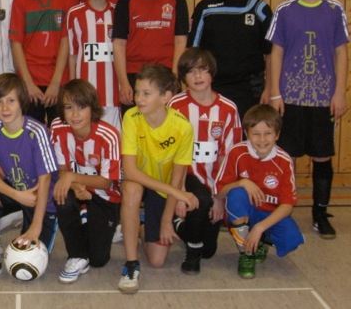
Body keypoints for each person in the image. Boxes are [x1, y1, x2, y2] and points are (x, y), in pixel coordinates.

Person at [267, 0, 349, 239]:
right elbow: (276, 52)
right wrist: (275, 93)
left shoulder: (334, 9)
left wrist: (339, 93)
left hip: (322, 97)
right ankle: (281, 211)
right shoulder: (284, 10)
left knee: (322, 156)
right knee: (286, 156)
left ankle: (319, 214)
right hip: (290, 97)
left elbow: (341, 53)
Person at [118, 64, 202, 294]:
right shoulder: (131, 117)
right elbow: (130, 171)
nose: (139, 98)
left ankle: (138, 228)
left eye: (146, 93)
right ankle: (131, 264)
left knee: (157, 261)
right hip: (138, 180)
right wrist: (177, 193)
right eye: (137, 92)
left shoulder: (182, 127)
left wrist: (167, 220)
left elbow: (177, 178)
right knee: (132, 190)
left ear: (166, 97)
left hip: (163, 187)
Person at [0, 73, 59, 285]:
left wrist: (36, 226)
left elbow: (45, 180)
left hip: (40, 198)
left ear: (22, 101)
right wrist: (17, 195)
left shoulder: (37, 131)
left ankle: (28, 220)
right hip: (17, 192)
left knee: (35, 257)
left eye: (11, 101)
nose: (5, 107)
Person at [169, 48, 242, 274]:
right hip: (185, 178)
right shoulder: (175, 106)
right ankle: (192, 255)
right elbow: (170, 154)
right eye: (191, 72)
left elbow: (229, 158)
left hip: (214, 184)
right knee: (199, 200)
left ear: (212, 73)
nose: (198, 76)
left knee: (209, 250)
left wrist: (219, 198)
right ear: (183, 77)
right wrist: (179, 194)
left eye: (202, 70)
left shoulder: (228, 109)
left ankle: (181, 226)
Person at [215, 104, 304, 279]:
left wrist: (259, 228)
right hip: (245, 211)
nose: (262, 139)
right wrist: (242, 182)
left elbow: (287, 205)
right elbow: (219, 193)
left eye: (268, 133)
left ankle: (260, 240)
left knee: (292, 240)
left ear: (277, 135)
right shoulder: (237, 153)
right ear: (247, 133)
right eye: (256, 134)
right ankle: (246, 253)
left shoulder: (284, 160)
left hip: (268, 214)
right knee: (237, 194)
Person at [188, 0, 273, 119]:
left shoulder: (259, 8)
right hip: (211, 89)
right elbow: (193, 52)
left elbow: (271, 53)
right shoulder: (205, 8)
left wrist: (269, 88)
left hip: (250, 91)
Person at [50, 79, 121, 283]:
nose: (75, 114)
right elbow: (62, 170)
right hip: (76, 189)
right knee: (61, 195)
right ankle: (76, 255)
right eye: (69, 107)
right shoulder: (58, 127)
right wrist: (74, 185)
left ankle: (104, 224)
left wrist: (73, 177)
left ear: (93, 108)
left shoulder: (109, 135)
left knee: (98, 259)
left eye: (81, 107)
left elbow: (106, 182)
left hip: (104, 196)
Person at [113, 0, 189, 113]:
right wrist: (123, 82)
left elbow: (180, 41)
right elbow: (119, 44)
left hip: (166, 75)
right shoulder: (125, 1)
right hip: (135, 76)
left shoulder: (177, 0)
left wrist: (175, 78)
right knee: (136, 127)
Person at [9, 0, 78, 125]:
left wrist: (55, 83)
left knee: (61, 131)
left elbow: (66, 41)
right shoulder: (21, 0)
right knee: (31, 133)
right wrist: (28, 83)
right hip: (31, 81)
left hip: (59, 79)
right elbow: (16, 43)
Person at [64, 0, 120, 129]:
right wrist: (73, 89)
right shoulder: (74, 14)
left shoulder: (117, 12)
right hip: (84, 95)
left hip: (112, 94)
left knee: (112, 138)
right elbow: (73, 54)